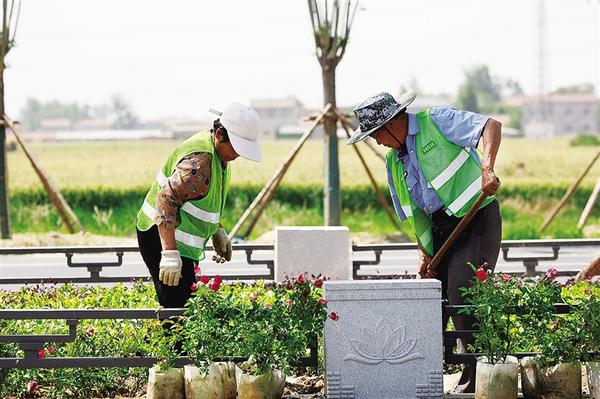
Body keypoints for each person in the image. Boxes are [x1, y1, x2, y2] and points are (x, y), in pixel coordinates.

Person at [346, 90, 502, 393]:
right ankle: (449, 372)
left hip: (476, 217)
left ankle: (481, 378)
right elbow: (415, 214)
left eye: (375, 135)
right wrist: (424, 254)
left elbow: (491, 125)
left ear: (391, 124)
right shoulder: (393, 162)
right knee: (436, 300)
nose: (376, 142)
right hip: (441, 229)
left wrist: (487, 168)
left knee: (462, 294)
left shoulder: (436, 121)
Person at [136, 102, 261, 309]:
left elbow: (200, 200)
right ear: (220, 133)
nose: (239, 154)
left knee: (186, 309)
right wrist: (169, 255)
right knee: (178, 311)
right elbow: (166, 200)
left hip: (178, 241)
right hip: (161, 237)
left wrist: (216, 230)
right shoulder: (200, 163)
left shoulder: (220, 158)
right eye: (237, 147)